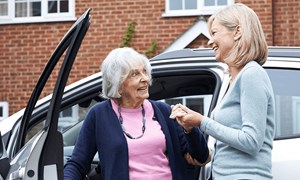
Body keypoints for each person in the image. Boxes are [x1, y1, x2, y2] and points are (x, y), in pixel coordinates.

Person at [64, 47, 210, 180]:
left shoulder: (165, 111)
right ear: (118, 85)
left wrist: (189, 129)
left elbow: (201, 157)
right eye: (135, 74)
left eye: (144, 72)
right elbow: (78, 163)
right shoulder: (99, 115)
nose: (145, 79)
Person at [170, 3, 275, 180]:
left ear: (237, 32)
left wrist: (202, 121)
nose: (210, 41)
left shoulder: (252, 74)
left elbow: (251, 142)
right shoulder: (233, 80)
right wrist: (209, 155)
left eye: (215, 33)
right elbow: (233, 146)